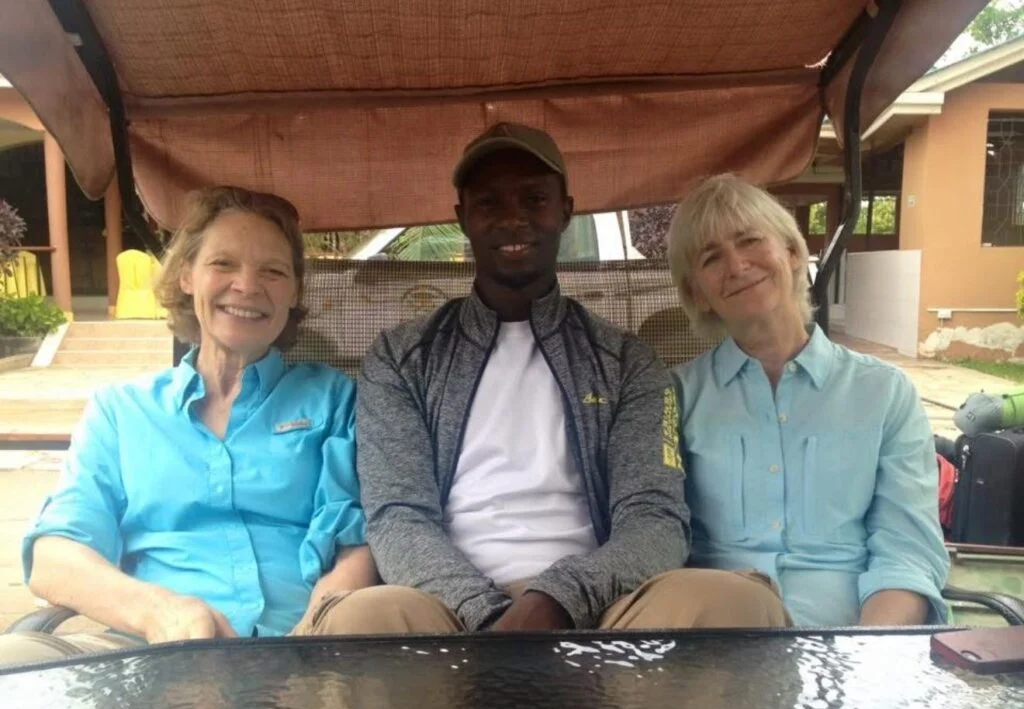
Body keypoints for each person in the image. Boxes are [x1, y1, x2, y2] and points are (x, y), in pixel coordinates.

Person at [318, 123, 789, 634]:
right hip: (445, 610)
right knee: (361, 621)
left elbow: (654, 518)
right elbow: (397, 515)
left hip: (599, 608)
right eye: (489, 203)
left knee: (734, 603)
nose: (512, 218)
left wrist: (556, 600)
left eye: (534, 199)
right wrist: (488, 615)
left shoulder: (627, 361)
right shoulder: (401, 358)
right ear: (462, 219)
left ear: (565, 211)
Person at [0, 186, 375, 666]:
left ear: (294, 293)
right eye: (223, 264)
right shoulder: (121, 412)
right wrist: (160, 613)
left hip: (307, 647)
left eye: (274, 272)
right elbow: (54, 557)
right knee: (14, 660)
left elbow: (357, 546)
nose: (247, 285)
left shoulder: (336, 400)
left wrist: (308, 641)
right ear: (185, 276)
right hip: (143, 653)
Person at [666, 173, 950, 627]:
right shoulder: (673, 397)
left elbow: (907, 551)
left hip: (851, 645)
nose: (737, 265)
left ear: (794, 253)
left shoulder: (884, 393)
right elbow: (656, 535)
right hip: (716, 643)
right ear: (697, 294)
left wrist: (866, 663)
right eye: (711, 258)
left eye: (750, 241)